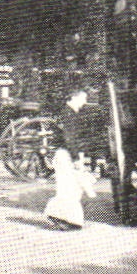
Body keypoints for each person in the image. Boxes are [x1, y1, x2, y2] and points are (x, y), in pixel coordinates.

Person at [43, 86, 97, 230]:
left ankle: (64, 218)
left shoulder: (69, 113)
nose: (84, 102)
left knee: (70, 188)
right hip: (66, 154)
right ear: (74, 97)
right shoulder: (68, 113)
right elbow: (69, 138)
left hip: (66, 153)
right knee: (68, 189)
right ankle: (62, 218)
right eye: (83, 99)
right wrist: (76, 158)